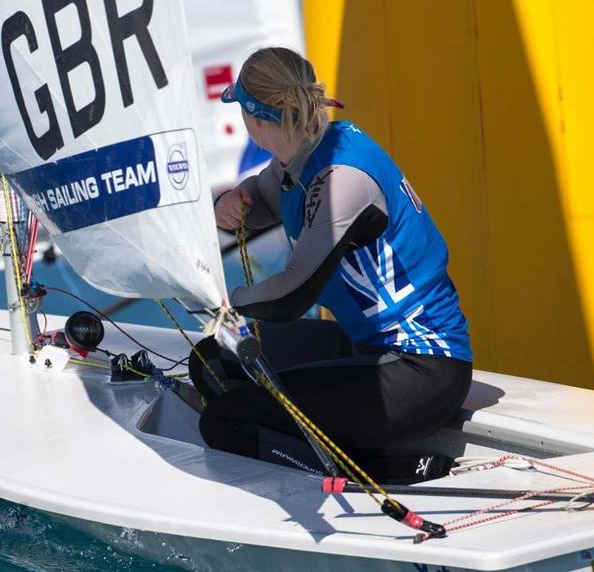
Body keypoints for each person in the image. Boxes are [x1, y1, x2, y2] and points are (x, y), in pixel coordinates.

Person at [193, 47, 472, 482]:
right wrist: (228, 204)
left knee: (226, 420)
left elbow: (291, 293)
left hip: (422, 369)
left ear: (255, 120)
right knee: (211, 359)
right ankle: (319, 445)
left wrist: (222, 303)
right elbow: (262, 200)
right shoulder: (303, 152)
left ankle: (383, 472)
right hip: (369, 346)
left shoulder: (342, 179)